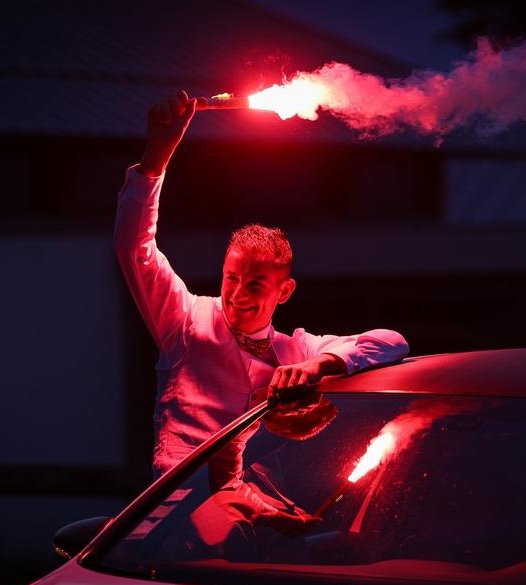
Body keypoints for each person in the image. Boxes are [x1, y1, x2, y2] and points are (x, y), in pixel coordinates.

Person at [114, 91, 410, 480]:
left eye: (255, 284)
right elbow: (134, 246)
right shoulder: (184, 319)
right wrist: (158, 153)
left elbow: (392, 341)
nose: (237, 294)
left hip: (258, 517)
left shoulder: (298, 349)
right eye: (231, 278)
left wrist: (320, 363)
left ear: (284, 292)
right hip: (179, 513)